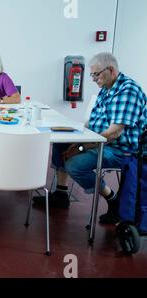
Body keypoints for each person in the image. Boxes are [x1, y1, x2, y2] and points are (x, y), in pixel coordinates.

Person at [33, 52, 147, 225]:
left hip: (120, 150)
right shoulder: (107, 89)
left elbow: (113, 133)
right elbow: (93, 121)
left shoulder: (128, 91)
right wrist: (75, 133)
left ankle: (112, 199)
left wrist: (81, 146)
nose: (93, 79)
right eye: (92, 75)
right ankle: (61, 195)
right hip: (99, 140)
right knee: (60, 143)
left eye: (96, 74)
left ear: (110, 70)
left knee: (75, 165)